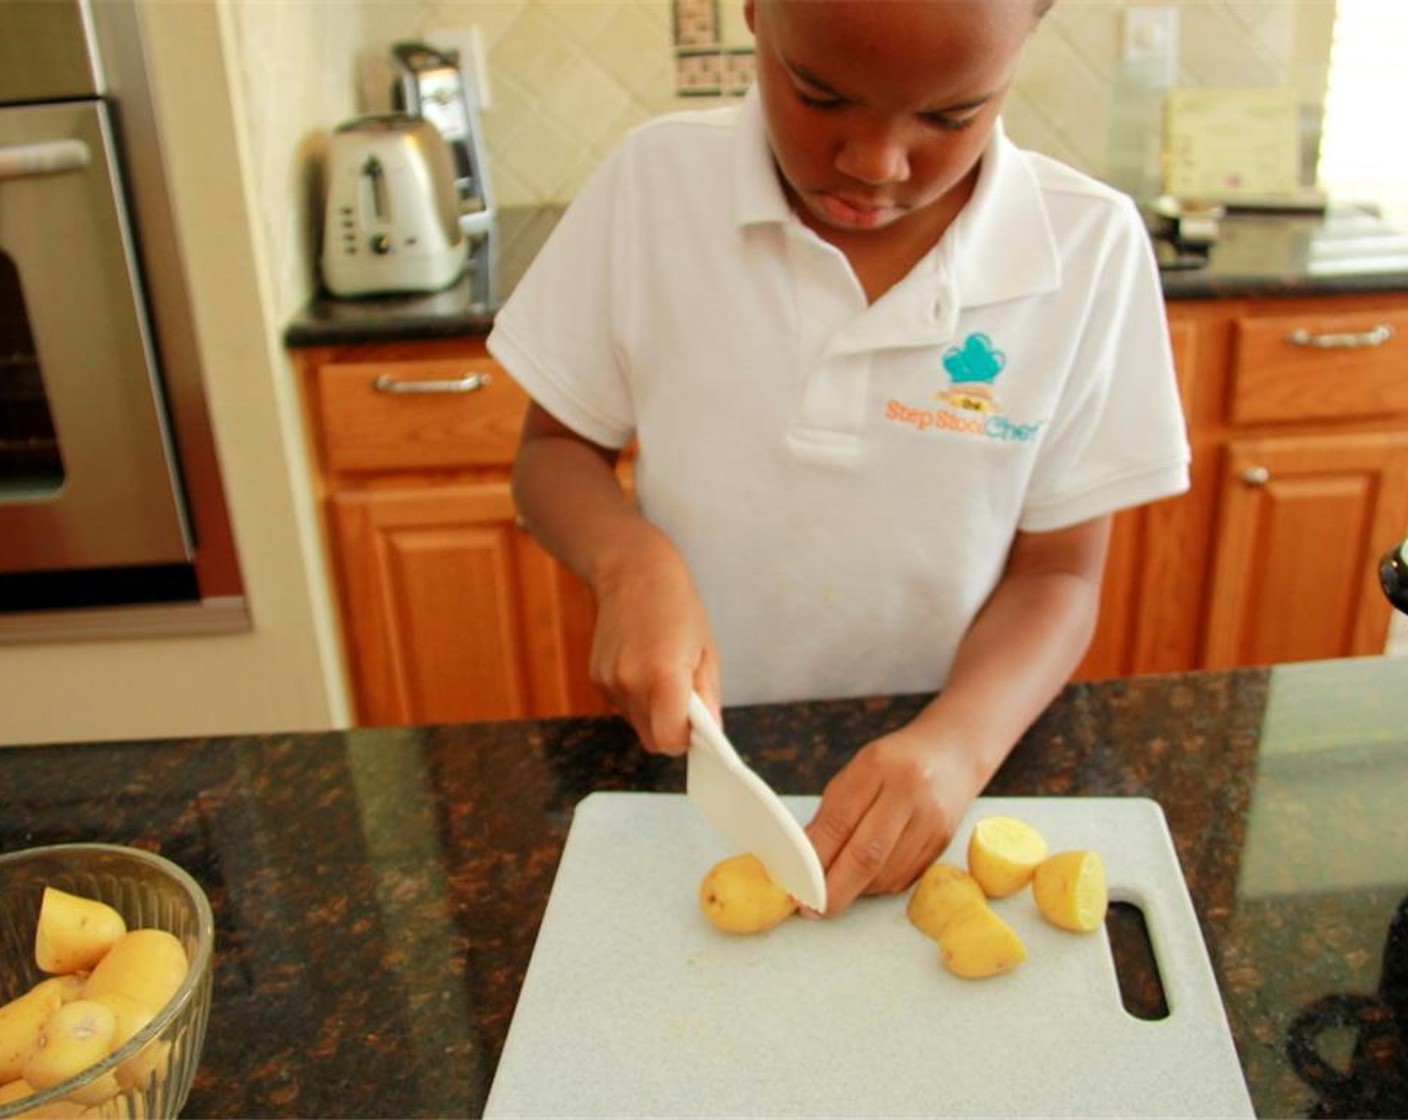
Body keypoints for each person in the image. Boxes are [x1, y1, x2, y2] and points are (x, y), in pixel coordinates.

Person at [488, 0, 1188, 916]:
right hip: (692, 758)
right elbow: (552, 452)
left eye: (948, 116)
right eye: (820, 96)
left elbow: (1059, 575)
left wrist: (958, 745)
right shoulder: (654, 187)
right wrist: (629, 565)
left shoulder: (1086, 249)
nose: (876, 163)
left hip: (951, 767)